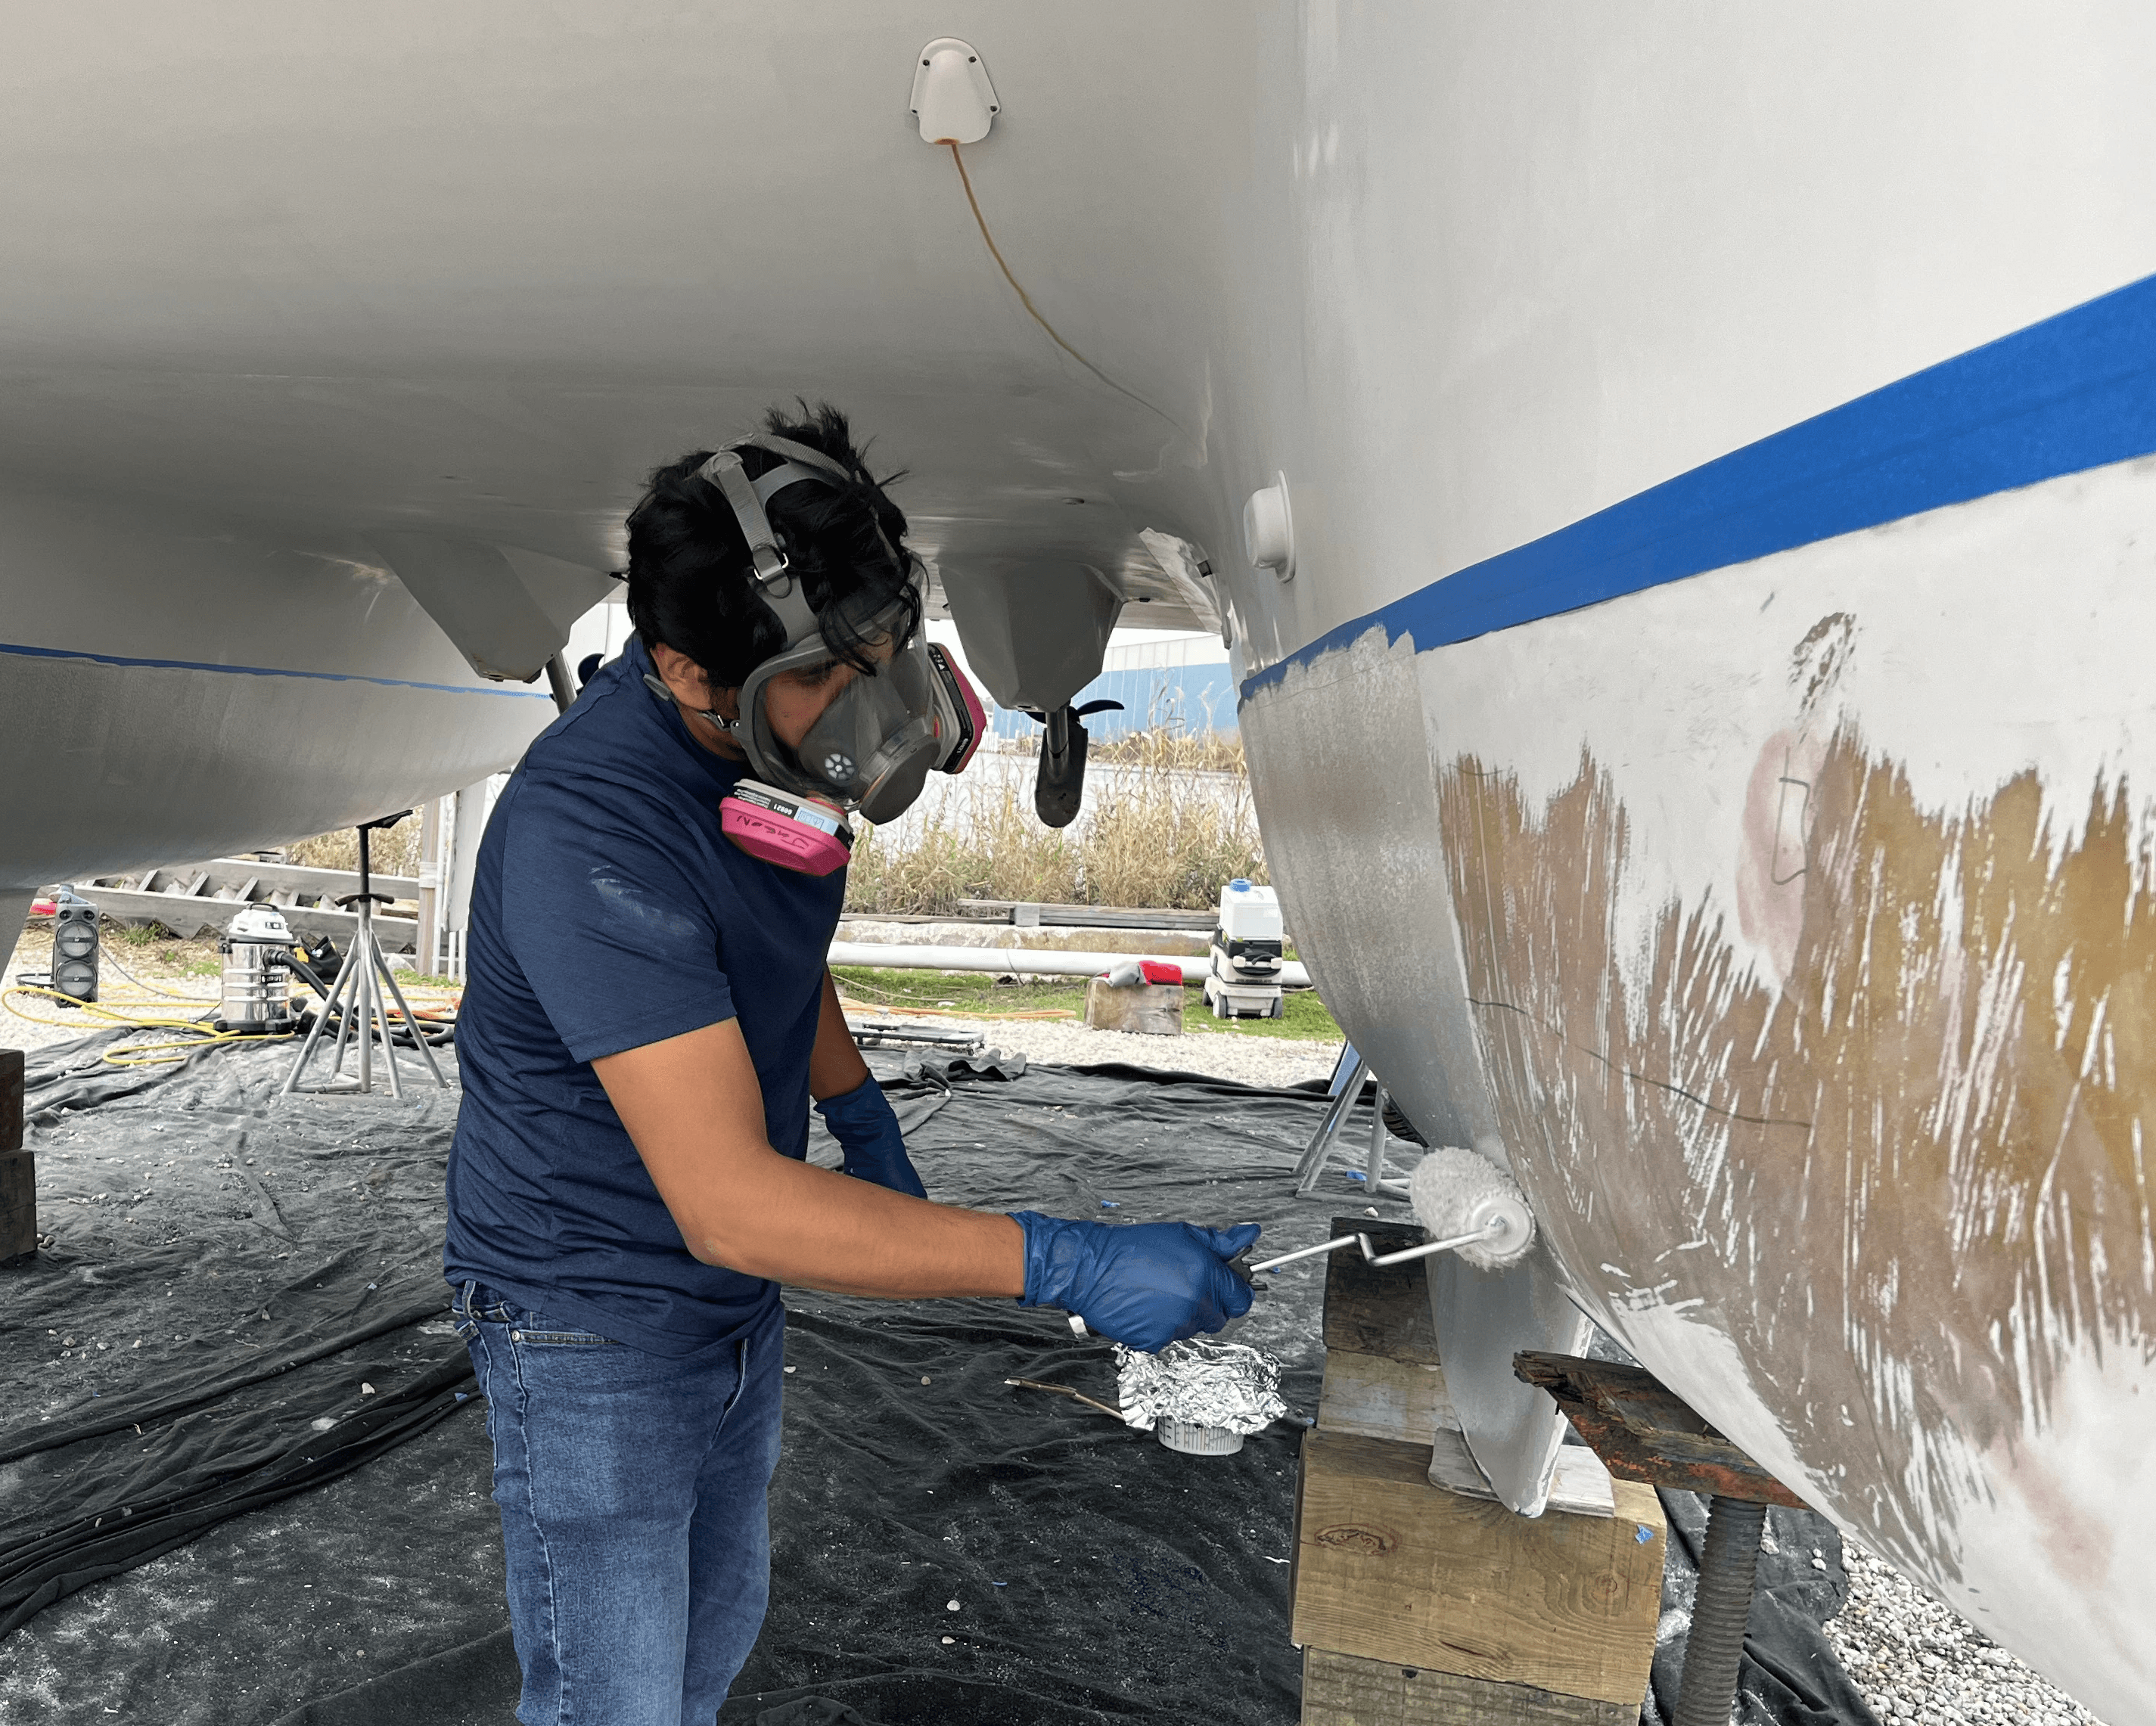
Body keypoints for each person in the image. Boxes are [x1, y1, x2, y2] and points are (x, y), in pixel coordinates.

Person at [443, 402, 1260, 1726]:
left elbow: (763, 951)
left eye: (889, 647)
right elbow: (732, 1204)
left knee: (707, 1651)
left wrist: (856, 1109)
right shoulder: (591, 836)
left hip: (725, 1299)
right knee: (616, 1705)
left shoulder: (758, 754)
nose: (880, 700)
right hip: (588, 1310)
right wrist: (1067, 1261)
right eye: (837, 670)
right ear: (688, 670)